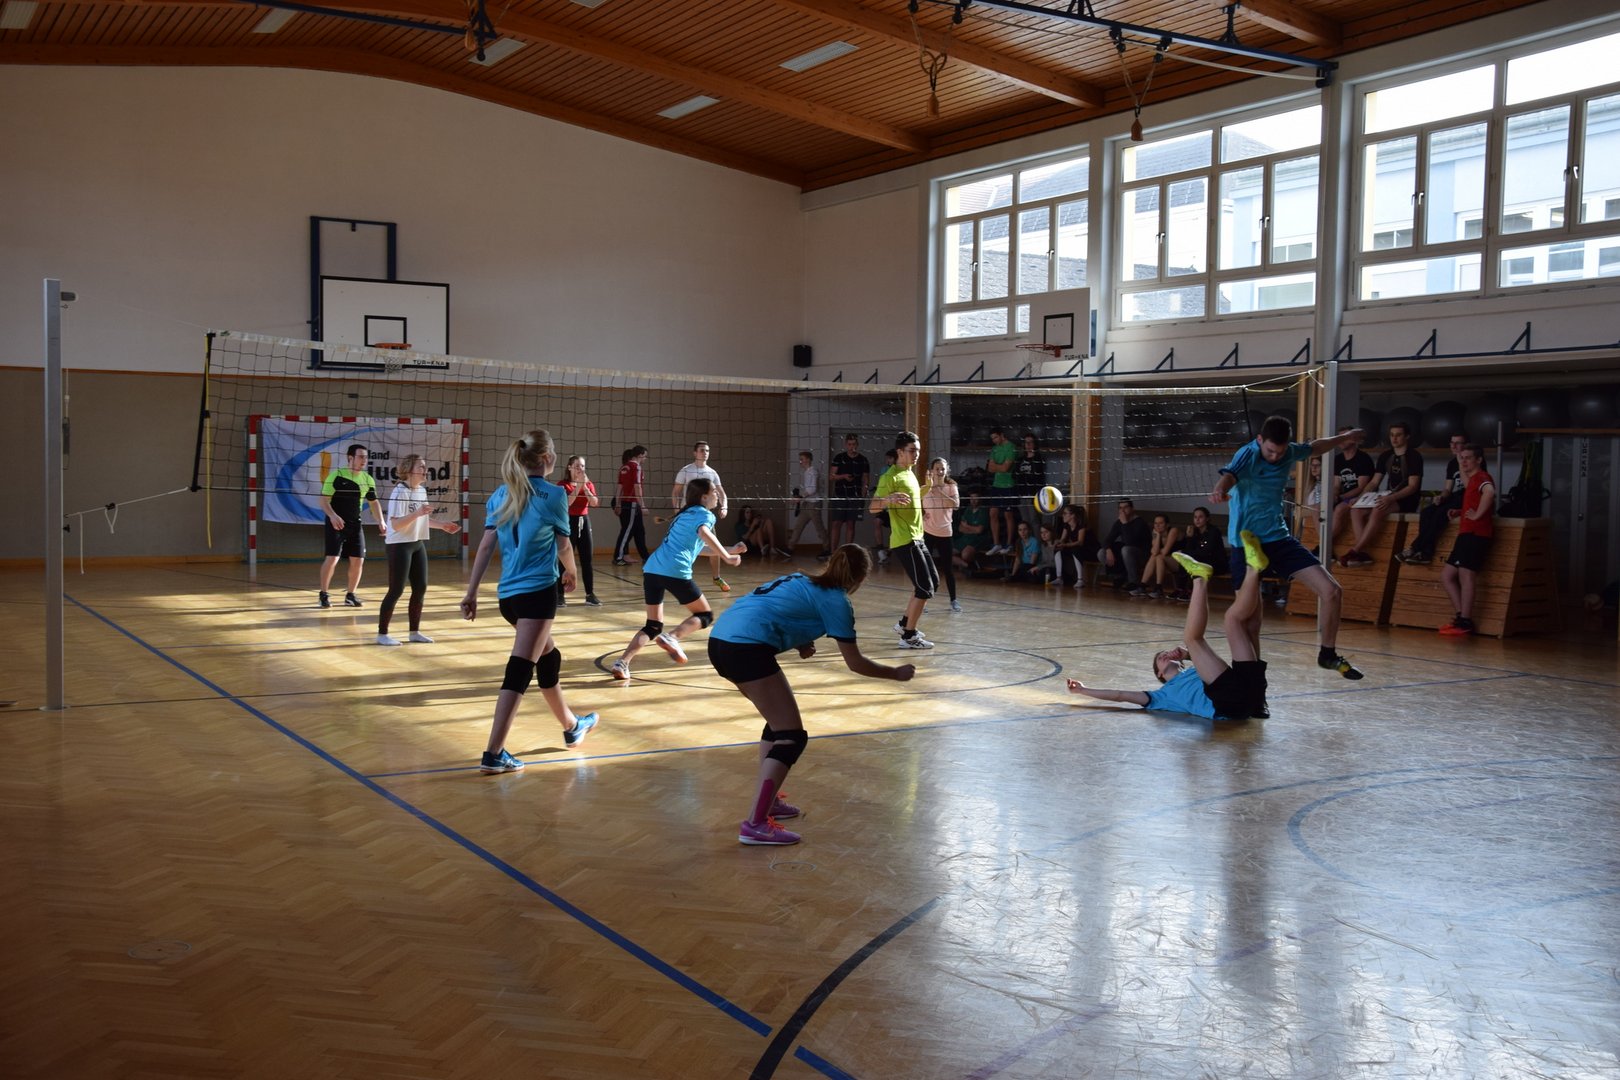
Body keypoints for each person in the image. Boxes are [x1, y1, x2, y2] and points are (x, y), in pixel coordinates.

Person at [709, 545, 916, 846]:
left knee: (778, 726)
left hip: (720, 641)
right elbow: (856, 663)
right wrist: (895, 673)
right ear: (861, 578)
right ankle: (755, 824)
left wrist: (799, 641)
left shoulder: (800, 578)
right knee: (791, 736)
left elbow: (770, 608)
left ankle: (769, 803)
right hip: (745, 648)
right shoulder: (837, 601)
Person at [460, 429, 599, 774]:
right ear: (548, 458)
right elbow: (564, 545)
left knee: (548, 656)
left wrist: (472, 592)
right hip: (537, 595)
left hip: (509, 598)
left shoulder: (500, 495)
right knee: (520, 669)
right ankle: (494, 753)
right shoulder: (554, 495)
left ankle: (572, 725)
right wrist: (572, 572)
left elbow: (486, 545)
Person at [1211, 414, 1366, 680]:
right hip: (1247, 544)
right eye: (1270, 451)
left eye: (1280, 452)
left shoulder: (1289, 452)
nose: (1275, 457)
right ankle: (1254, 685)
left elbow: (1316, 447)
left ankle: (1327, 654)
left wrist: (1344, 438)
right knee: (1251, 622)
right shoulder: (1248, 454)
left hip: (1278, 539)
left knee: (1332, 591)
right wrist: (1218, 489)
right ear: (1260, 440)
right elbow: (1229, 476)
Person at [1065, 533, 1272, 722]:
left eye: (1163, 654)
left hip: (1251, 697)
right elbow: (1120, 695)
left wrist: (1188, 655)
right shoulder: (1161, 696)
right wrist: (1083, 690)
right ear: (1160, 675)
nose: (1164, 655)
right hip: (1229, 706)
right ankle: (1200, 578)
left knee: (1240, 624)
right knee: (1195, 637)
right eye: (1160, 659)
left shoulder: (1196, 671)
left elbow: (1214, 668)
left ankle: (1254, 569)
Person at [610, 477, 743, 682]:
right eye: (714, 492)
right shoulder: (705, 515)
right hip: (674, 569)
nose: (717, 495)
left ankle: (622, 662)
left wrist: (730, 550)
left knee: (653, 625)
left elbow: (697, 548)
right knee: (705, 615)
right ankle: (672, 637)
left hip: (653, 569)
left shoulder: (684, 514)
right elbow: (704, 533)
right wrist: (727, 558)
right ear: (704, 497)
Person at [377, 453, 461, 645]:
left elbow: (422, 519)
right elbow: (396, 525)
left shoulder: (421, 491)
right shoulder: (399, 492)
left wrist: (443, 525)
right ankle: (382, 634)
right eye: (421, 467)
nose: (425, 470)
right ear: (409, 470)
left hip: (416, 543)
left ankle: (414, 632)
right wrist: (417, 513)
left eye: (425, 466)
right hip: (399, 545)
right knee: (396, 590)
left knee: (421, 587)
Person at [870, 430, 939, 650]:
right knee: (924, 588)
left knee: (933, 582)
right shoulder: (889, 477)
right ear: (900, 452)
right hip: (905, 539)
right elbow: (873, 507)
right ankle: (909, 636)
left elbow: (911, 497)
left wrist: (926, 489)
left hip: (918, 536)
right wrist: (887, 499)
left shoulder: (909, 473)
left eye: (918, 450)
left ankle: (903, 624)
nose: (916, 454)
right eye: (912, 450)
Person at [1341, 421, 1424, 567]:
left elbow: (1412, 487)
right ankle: (1362, 553)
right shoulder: (1386, 455)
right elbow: (1374, 482)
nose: (1394, 438)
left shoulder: (1414, 456)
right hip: (1388, 496)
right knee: (1356, 510)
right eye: (1392, 435)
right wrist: (1360, 498)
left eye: (1398, 435)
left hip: (1406, 498)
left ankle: (1355, 550)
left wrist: (1391, 498)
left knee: (1377, 509)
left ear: (1407, 436)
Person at [317, 443, 387, 608]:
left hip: (355, 524)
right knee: (332, 558)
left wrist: (381, 521)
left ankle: (350, 595)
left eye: (366, 457)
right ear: (350, 458)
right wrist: (333, 516)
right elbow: (323, 500)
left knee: (358, 560)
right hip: (336, 523)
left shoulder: (367, 479)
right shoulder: (337, 476)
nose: (364, 460)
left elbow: (373, 502)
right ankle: (323, 594)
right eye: (361, 457)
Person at [1439, 444, 1496, 636]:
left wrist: (1478, 514)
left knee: (1466, 575)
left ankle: (1465, 620)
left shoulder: (1482, 477)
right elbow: (1470, 490)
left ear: (1479, 460)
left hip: (1476, 534)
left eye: (1468, 458)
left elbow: (1489, 493)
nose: (1463, 461)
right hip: (1466, 534)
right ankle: (1461, 616)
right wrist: (1461, 511)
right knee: (1447, 575)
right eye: (1461, 458)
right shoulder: (1471, 480)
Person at [1396, 433, 1468, 565]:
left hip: (1468, 496)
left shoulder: (1472, 460)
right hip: (1456, 495)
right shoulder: (1452, 463)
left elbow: (1470, 486)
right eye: (1452, 443)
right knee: (1426, 512)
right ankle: (1425, 553)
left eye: (1458, 443)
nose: (1454, 446)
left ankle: (1415, 548)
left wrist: (1461, 461)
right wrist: (1441, 497)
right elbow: (1448, 489)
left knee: (1440, 514)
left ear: (1465, 445)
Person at [672, 440, 731, 591]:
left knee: (714, 546)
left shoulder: (712, 473)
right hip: (688, 516)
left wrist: (724, 507)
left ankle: (717, 578)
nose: (705, 453)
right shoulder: (686, 471)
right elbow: (675, 492)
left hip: (704, 516)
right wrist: (676, 510)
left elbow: (722, 493)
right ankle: (679, 577)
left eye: (707, 450)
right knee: (685, 546)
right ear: (695, 453)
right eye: (702, 450)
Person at [557, 455, 601, 607]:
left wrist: (585, 487)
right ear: (569, 467)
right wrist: (578, 487)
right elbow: (567, 503)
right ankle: (559, 595)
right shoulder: (562, 485)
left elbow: (594, 503)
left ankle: (590, 594)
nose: (580, 469)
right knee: (564, 560)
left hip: (584, 521)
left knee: (587, 560)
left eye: (582, 466)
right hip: (568, 522)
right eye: (577, 466)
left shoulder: (588, 484)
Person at [920, 456, 962, 613]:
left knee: (948, 569)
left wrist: (939, 493)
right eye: (937, 469)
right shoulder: (925, 488)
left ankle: (953, 600)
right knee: (924, 569)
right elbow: (915, 506)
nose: (940, 471)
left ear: (946, 471)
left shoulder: (951, 487)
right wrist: (921, 515)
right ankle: (922, 602)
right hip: (928, 532)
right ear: (931, 471)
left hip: (945, 532)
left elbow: (956, 505)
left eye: (942, 469)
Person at [1326, 426, 1375, 559]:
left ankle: (1324, 543)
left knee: (1340, 509)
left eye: (1345, 437)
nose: (1341, 440)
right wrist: (1335, 494)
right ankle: (1326, 546)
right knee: (1323, 506)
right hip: (1344, 497)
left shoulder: (1363, 459)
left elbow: (1361, 487)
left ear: (1354, 440)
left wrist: (1341, 497)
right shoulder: (1338, 460)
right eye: (1339, 437)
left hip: (1361, 497)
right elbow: (1336, 484)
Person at [825, 433, 870, 559]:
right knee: (836, 524)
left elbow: (866, 479)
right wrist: (843, 476)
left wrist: (863, 497)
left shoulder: (863, 460)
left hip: (855, 496)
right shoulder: (839, 458)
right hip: (839, 495)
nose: (852, 447)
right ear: (846, 445)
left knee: (851, 524)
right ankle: (833, 553)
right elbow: (831, 476)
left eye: (854, 444)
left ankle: (848, 553)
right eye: (849, 444)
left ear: (857, 445)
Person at [1172, 505, 1226, 601]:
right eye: (1195, 517)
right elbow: (1191, 550)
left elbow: (1206, 551)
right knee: (1186, 558)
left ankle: (1192, 591)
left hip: (1216, 563)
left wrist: (1185, 552)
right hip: (1201, 559)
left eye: (1200, 517)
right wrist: (1189, 537)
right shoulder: (1195, 531)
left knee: (1195, 560)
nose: (1197, 520)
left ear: (1207, 518)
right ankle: (1181, 588)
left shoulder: (1214, 531)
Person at [1101, 498, 1151, 594]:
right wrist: (1108, 550)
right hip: (1126, 555)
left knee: (1126, 549)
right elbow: (1107, 540)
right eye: (1120, 508)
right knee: (1101, 552)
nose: (1122, 510)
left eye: (1125, 507)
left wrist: (1125, 523)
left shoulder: (1140, 523)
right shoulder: (1119, 522)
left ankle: (1133, 582)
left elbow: (1130, 542)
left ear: (1132, 509)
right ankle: (1119, 576)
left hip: (1142, 555)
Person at [612, 445, 650, 566]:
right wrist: (642, 506)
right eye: (645, 456)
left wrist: (618, 504)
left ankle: (646, 557)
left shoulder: (624, 467)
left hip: (625, 502)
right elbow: (637, 487)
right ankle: (618, 557)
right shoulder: (636, 467)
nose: (645, 459)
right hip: (632, 503)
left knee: (639, 530)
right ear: (640, 455)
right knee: (627, 530)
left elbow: (619, 488)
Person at [984, 426, 1019, 553]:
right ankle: (996, 543)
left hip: (1008, 485)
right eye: (992, 438)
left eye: (995, 437)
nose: (994, 440)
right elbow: (990, 468)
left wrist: (998, 467)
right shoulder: (994, 448)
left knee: (1008, 515)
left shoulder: (1011, 447)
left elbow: (1006, 468)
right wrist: (1001, 466)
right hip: (996, 485)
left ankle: (1009, 544)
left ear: (1002, 435)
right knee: (992, 513)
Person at [1050, 503, 1095, 589]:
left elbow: (1080, 542)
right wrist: (1057, 543)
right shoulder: (1067, 525)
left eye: (1065, 513)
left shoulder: (1081, 525)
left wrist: (1065, 545)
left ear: (1072, 515)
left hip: (1089, 550)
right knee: (1058, 549)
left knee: (1076, 549)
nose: (1063, 515)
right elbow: (1062, 539)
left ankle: (1080, 580)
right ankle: (1059, 578)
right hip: (1075, 548)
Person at [1139, 513, 1183, 599]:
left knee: (1159, 557)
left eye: (1161, 523)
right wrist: (1158, 536)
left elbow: (1165, 552)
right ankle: (1143, 585)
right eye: (1155, 523)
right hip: (1167, 562)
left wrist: (1158, 549)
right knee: (1154, 556)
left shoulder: (1173, 531)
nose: (1157, 526)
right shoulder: (1156, 533)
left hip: (1182, 563)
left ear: (1167, 525)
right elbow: (1154, 552)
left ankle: (1158, 588)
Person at [787, 450, 822, 554]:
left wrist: (800, 497)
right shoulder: (806, 472)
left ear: (808, 460)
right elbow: (808, 490)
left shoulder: (813, 471)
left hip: (814, 504)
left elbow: (813, 489)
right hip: (807, 504)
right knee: (798, 526)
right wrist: (798, 497)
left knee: (819, 528)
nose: (800, 462)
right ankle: (789, 549)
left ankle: (827, 549)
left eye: (801, 459)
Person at [1012, 432, 1048, 526]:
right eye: (1026, 442)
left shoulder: (1039, 459)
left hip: (1033, 494)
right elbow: (1014, 475)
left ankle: (1037, 536)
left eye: (1030, 442)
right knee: (1025, 520)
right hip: (1022, 494)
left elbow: (1038, 477)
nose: (1028, 445)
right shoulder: (1020, 460)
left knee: (1034, 519)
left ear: (1035, 444)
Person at [952, 489, 990, 574]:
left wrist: (967, 527)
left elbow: (979, 530)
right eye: (971, 498)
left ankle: (963, 564)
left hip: (979, 539)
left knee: (965, 555)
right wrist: (972, 530)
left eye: (975, 498)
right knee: (946, 553)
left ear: (980, 499)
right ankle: (968, 566)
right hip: (965, 538)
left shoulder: (983, 511)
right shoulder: (968, 510)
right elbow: (960, 528)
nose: (973, 501)